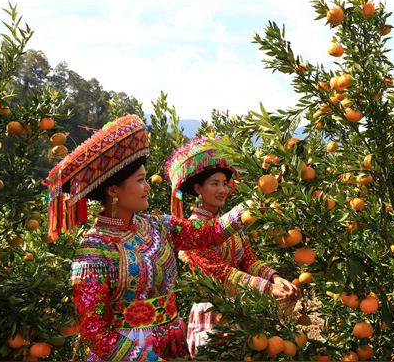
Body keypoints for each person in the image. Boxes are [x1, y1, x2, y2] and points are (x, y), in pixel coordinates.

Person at [45, 115, 247, 361]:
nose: (148, 186)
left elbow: (208, 233)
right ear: (113, 190)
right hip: (128, 353)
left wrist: (254, 206)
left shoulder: (159, 226)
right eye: (140, 180)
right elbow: (93, 329)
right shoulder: (93, 251)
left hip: (172, 345)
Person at [165, 136, 298, 358]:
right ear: (198, 188)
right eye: (215, 183)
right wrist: (267, 288)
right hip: (214, 314)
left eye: (225, 184)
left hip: (243, 309)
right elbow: (220, 273)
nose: (222, 190)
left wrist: (275, 278)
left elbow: (249, 260)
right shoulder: (193, 231)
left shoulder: (231, 225)